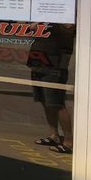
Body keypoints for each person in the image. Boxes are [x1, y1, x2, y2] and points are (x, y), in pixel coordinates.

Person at [27, 23, 75, 154]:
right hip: (38, 61)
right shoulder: (44, 18)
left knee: (57, 103)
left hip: (55, 65)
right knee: (45, 101)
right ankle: (54, 135)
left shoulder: (66, 17)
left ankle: (68, 141)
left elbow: (68, 30)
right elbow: (27, 28)